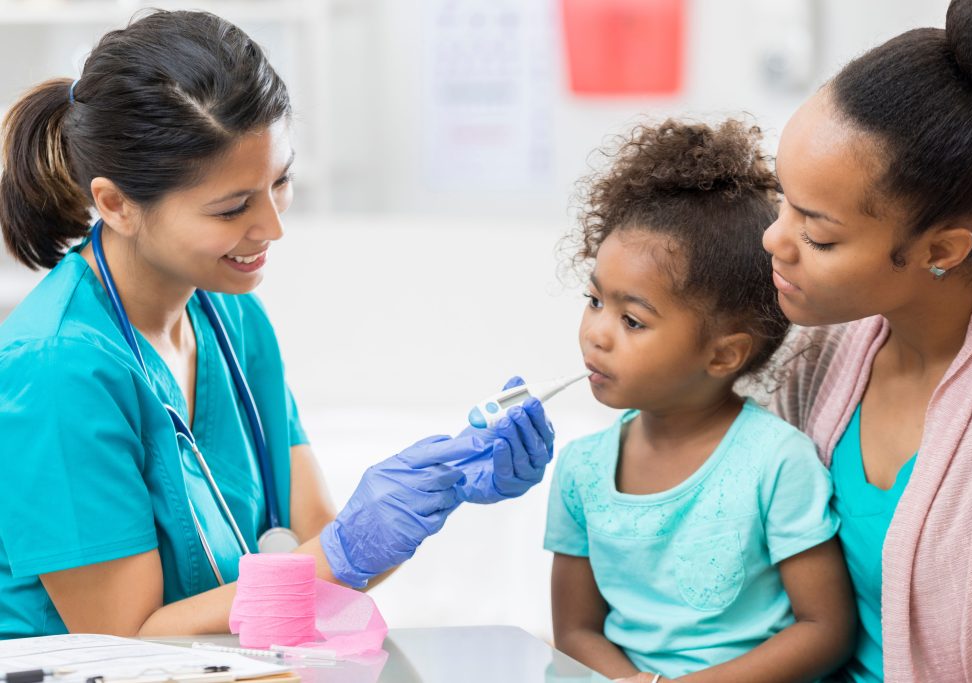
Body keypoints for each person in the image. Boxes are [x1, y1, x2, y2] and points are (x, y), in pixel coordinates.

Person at [0, 10, 554, 639]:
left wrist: (431, 498)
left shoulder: (232, 316)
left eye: (281, 180)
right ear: (116, 204)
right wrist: (345, 548)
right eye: (233, 207)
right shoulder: (55, 368)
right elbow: (126, 642)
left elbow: (320, 548)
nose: (272, 227)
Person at [763, 0, 972, 680]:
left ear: (941, 247)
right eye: (780, 199)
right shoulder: (818, 351)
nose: (774, 239)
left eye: (818, 234)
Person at [544, 118, 855, 682]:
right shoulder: (580, 471)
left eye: (632, 320)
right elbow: (575, 631)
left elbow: (824, 631)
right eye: (594, 301)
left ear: (722, 356)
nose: (596, 333)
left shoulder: (777, 463)